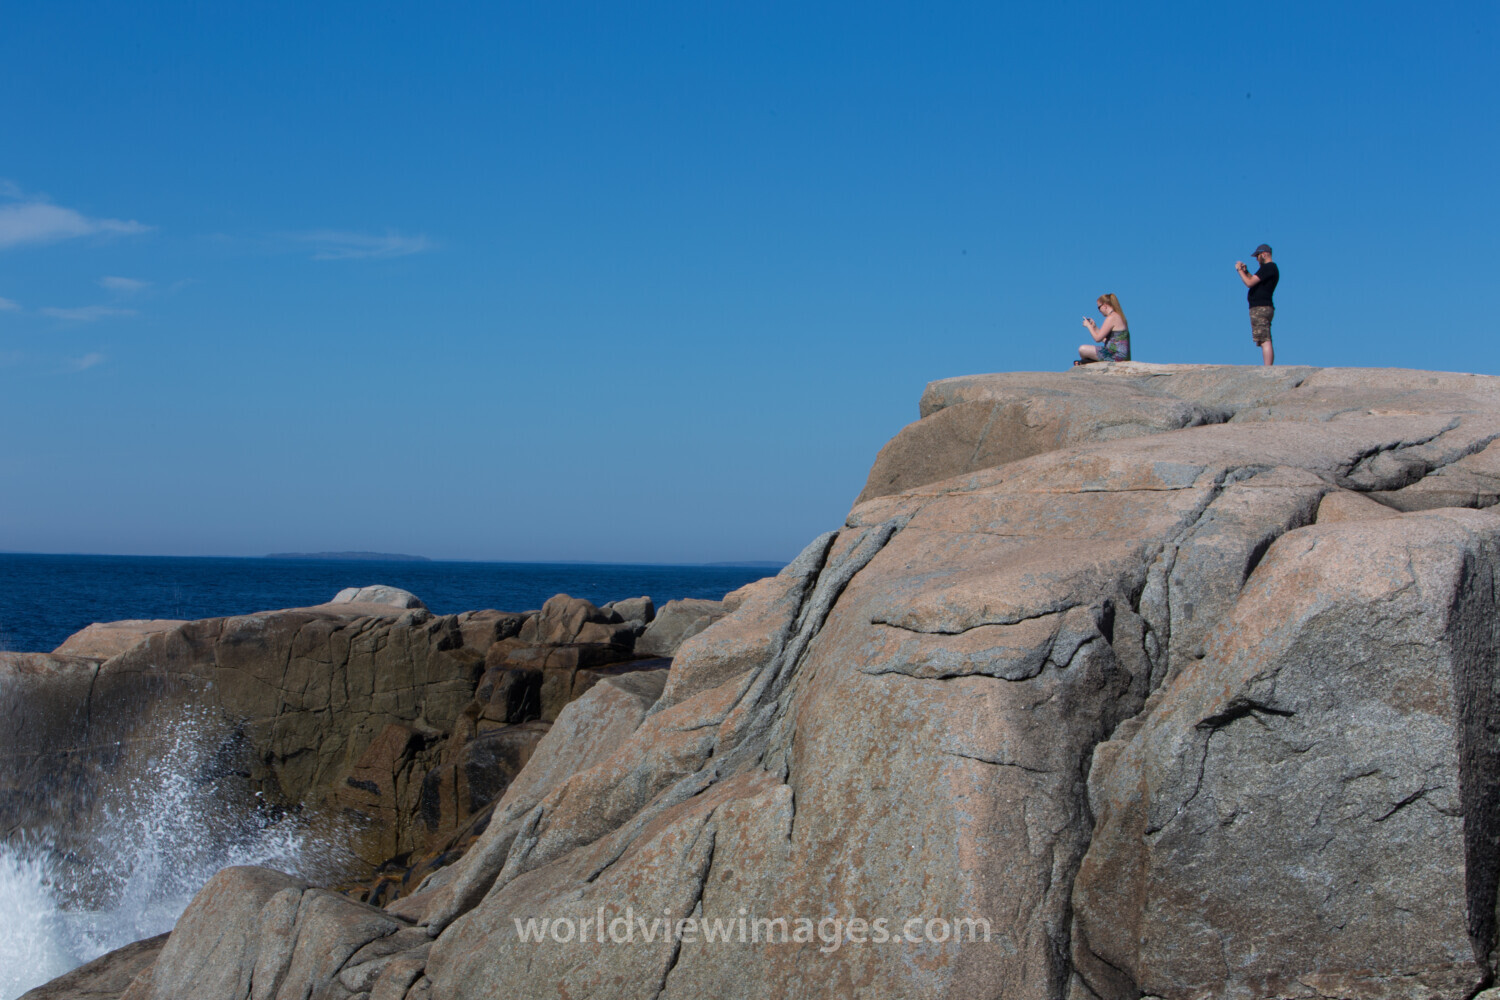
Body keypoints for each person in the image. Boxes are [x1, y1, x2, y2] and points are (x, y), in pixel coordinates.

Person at [1235, 244, 1279, 365]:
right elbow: (1255, 281)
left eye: (1258, 256)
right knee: (1263, 338)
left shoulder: (1268, 267)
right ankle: (1267, 366)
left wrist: (1239, 271)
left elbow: (1249, 283)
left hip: (1260, 308)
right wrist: (1246, 272)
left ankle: (1267, 368)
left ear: (1264, 254)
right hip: (1265, 306)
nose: (1256, 258)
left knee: (1265, 339)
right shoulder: (1270, 269)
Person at [1076, 293, 1130, 364]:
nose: (1099, 310)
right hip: (1121, 356)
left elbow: (1097, 339)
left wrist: (1088, 326)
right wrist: (1094, 327)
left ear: (1105, 305)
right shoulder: (1118, 317)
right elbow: (1108, 341)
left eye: (1099, 307)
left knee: (1082, 349)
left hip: (1116, 356)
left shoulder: (1111, 318)